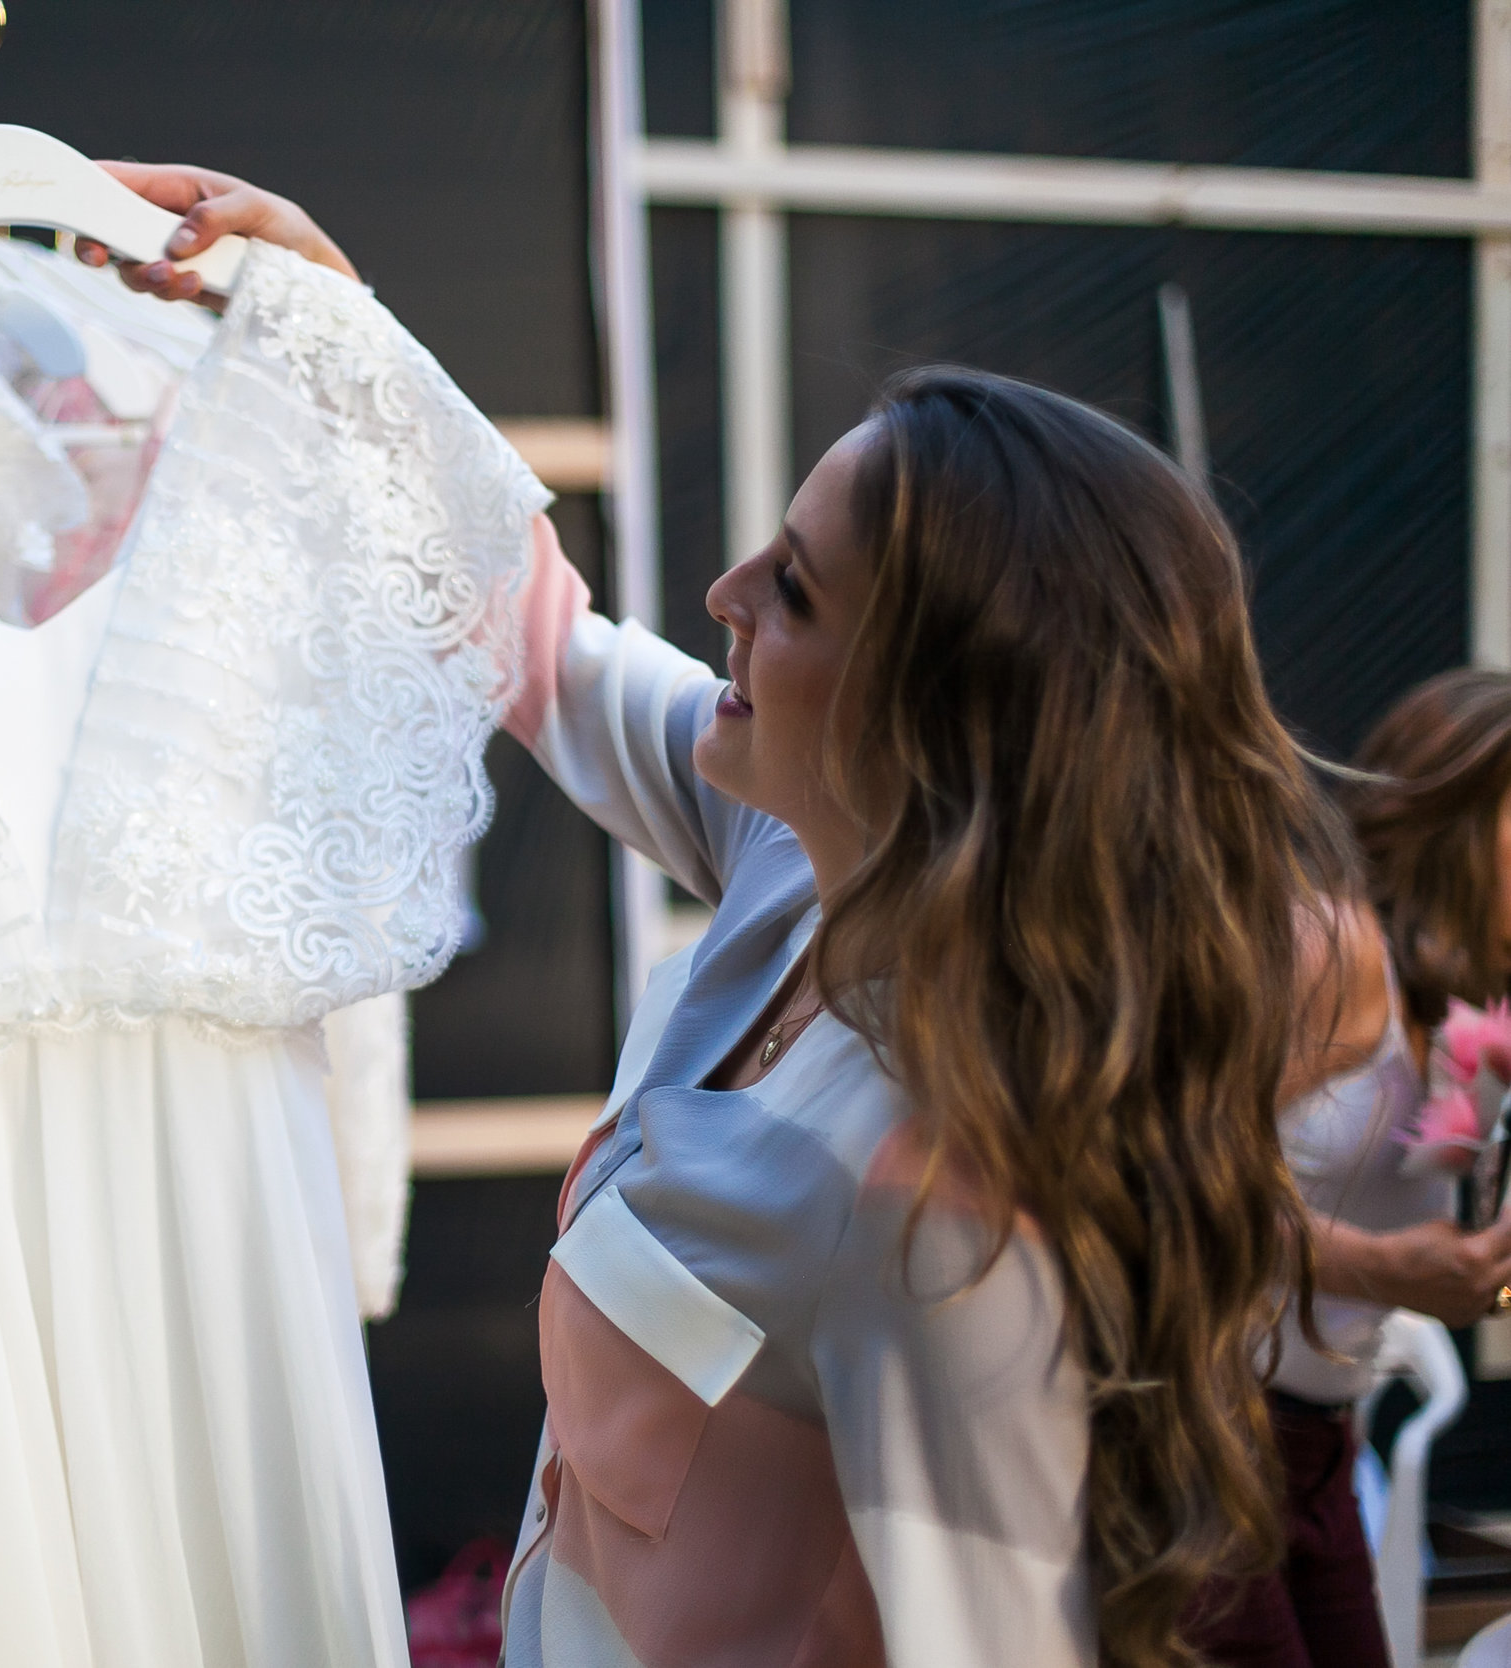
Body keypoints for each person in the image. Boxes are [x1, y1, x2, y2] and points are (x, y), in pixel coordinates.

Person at [87, 167, 1348, 1667]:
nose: (724, 589)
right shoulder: (798, 855)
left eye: (797, 591)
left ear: (933, 712)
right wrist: (329, 320)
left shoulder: (939, 1210)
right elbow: (541, 638)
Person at [1193, 669, 1511, 1668]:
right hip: (1201, 1444)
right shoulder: (1329, 951)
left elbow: (1442, 1199)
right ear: (1458, 817)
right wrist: (1386, 1270)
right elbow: (1174, 1191)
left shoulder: (1459, 1000)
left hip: (1318, 1446)